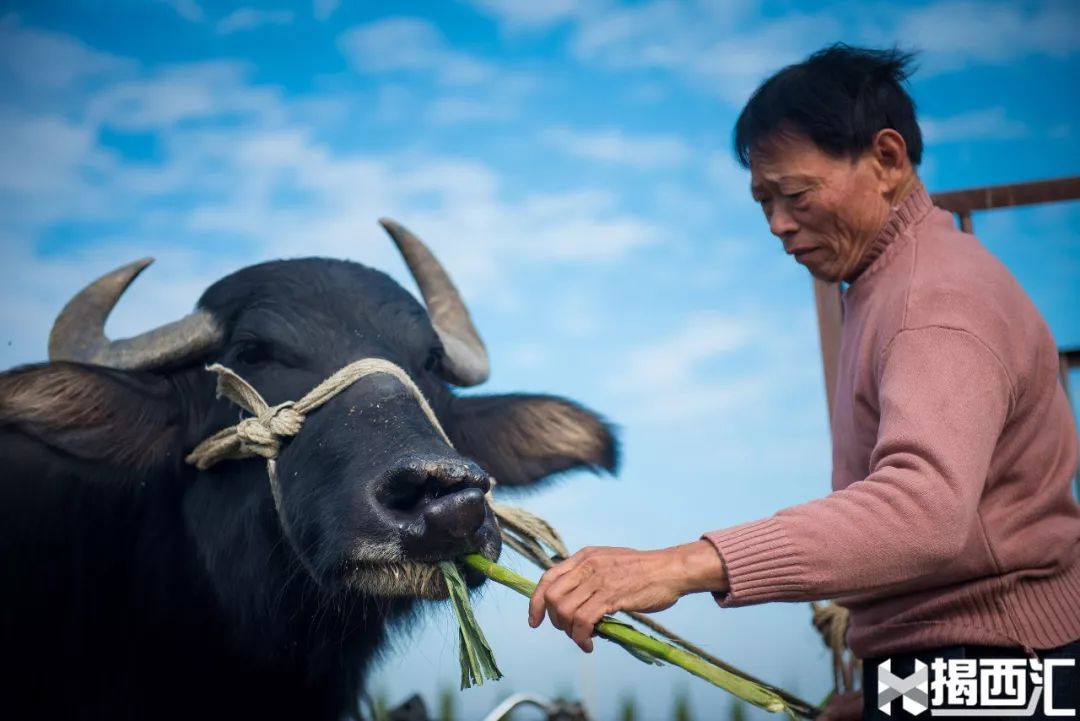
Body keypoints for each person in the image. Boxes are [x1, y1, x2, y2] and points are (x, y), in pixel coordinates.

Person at [527, 45, 1080, 719]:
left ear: (887, 159)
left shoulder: (931, 302)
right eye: (764, 201)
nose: (779, 225)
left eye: (795, 194)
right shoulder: (885, 284)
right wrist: (889, 695)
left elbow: (924, 511)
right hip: (965, 670)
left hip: (1005, 668)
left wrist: (675, 565)